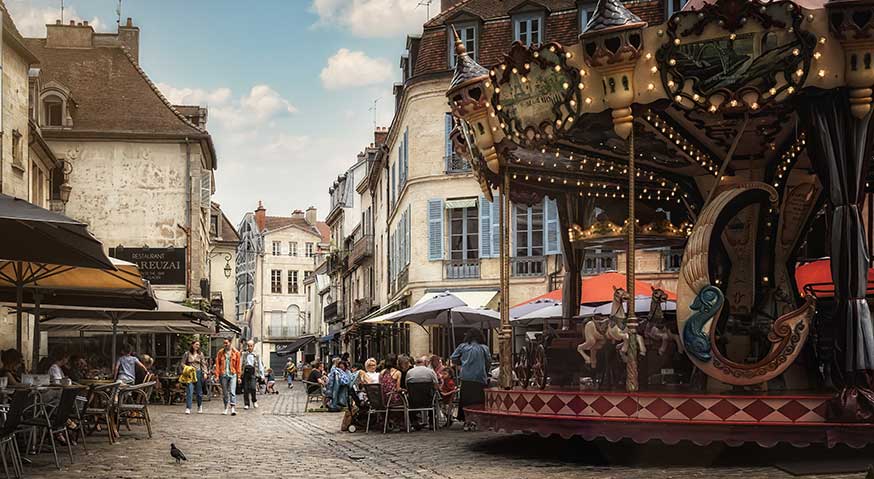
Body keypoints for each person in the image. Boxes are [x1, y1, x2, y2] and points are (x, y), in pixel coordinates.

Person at [450, 328, 492, 431]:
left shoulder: (463, 347)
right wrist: (485, 371)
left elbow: (453, 357)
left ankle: (466, 421)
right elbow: (488, 361)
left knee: (466, 400)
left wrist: (461, 365)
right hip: (480, 377)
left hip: (466, 377)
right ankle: (477, 421)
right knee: (478, 401)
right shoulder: (484, 348)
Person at [179, 340, 209, 415]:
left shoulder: (200, 354)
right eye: (196, 344)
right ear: (192, 345)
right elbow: (182, 363)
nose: (197, 346)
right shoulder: (187, 354)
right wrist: (187, 367)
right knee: (189, 390)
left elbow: (203, 364)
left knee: (199, 392)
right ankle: (188, 407)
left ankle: (199, 406)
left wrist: (205, 373)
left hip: (198, 373)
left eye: (198, 345)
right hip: (190, 373)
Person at [215, 337, 241, 416]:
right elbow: (217, 365)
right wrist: (216, 375)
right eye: (224, 343)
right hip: (223, 374)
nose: (225, 345)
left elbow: (238, 365)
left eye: (226, 343)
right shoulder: (220, 352)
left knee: (232, 391)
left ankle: (233, 408)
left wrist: (239, 376)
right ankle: (226, 407)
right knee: (225, 393)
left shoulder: (236, 353)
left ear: (230, 343)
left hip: (233, 374)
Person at [240, 340, 265, 410]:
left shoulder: (257, 355)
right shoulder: (244, 354)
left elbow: (260, 365)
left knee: (253, 388)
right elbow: (241, 364)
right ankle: (246, 404)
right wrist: (239, 374)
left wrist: (262, 375)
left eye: (251, 346)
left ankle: (254, 401)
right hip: (245, 373)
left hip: (253, 373)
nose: (249, 347)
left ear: (253, 346)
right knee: (245, 389)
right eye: (248, 346)